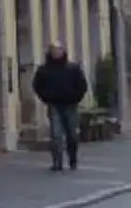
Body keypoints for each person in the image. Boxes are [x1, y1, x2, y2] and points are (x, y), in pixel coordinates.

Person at [32, 44, 89, 172]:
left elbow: (82, 85)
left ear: (63, 51)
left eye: (58, 50)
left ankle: (72, 159)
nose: (56, 53)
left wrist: (75, 97)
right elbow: (37, 86)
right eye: (54, 50)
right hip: (54, 105)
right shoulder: (44, 70)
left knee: (72, 135)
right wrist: (46, 97)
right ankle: (57, 162)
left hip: (70, 105)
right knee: (56, 135)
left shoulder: (72, 68)